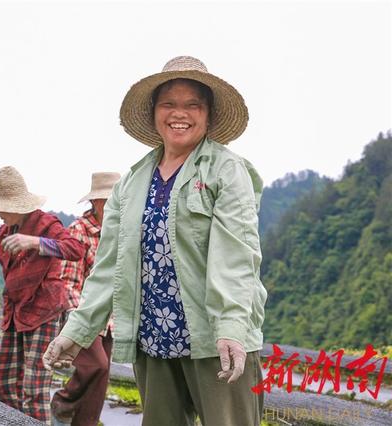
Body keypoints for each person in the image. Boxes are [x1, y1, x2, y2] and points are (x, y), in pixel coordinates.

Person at [43, 56, 267, 426]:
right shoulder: (131, 183)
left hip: (214, 339)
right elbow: (109, 266)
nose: (180, 114)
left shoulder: (226, 170)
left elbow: (236, 256)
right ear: (154, 114)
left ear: (207, 115)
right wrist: (79, 330)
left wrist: (232, 328)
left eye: (193, 104)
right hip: (153, 338)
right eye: (169, 104)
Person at [0, 166, 85, 422]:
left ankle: (35, 421)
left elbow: (74, 249)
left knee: (34, 387)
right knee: (2, 380)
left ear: (15, 205)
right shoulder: (4, 231)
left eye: (0, 207)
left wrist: (34, 242)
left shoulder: (45, 223)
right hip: (16, 311)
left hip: (42, 310)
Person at [50, 172, 120, 426]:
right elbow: (68, 280)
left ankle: (85, 422)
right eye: (109, 200)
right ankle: (63, 404)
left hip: (111, 317)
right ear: (96, 202)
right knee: (96, 366)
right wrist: (80, 316)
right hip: (85, 314)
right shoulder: (79, 231)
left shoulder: (121, 229)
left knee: (101, 379)